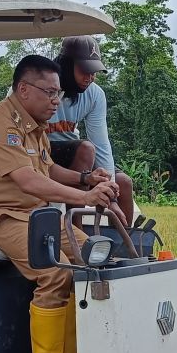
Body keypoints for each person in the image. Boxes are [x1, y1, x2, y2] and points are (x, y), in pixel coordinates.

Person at [0, 55, 118, 353]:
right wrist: (86, 196)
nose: (55, 101)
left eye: (58, 94)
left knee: (89, 258)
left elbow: (46, 170)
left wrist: (85, 176)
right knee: (55, 271)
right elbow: (29, 182)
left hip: (33, 214)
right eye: (49, 93)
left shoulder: (34, 126)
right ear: (23, 88)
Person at [46, 36, 136, 224]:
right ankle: (76, 232)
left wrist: (110, 194)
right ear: (66, 65)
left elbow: (101, 144)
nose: (90, 77)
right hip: (42, 151)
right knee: (85, 149)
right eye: (84, 70)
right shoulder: (42, 87)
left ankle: (123, 244)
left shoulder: (95, 94)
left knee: (124, 184)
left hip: (73, 151)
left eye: (94, 71)